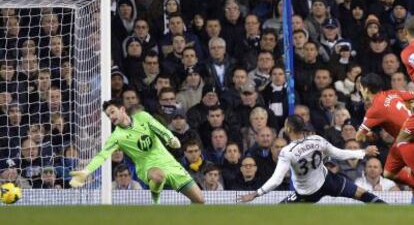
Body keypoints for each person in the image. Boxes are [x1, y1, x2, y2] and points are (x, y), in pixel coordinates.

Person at [69, 98, 204, 204]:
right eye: (108, 115)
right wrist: (86, 171)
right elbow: (102, 155)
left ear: (122, 109)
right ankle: (155, 200)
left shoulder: (142, 117)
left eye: (112, 112)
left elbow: (159, 128)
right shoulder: (117, 136)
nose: (110, 117)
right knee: (158, 176)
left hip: (169, 162)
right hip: (147, 166)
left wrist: (170, 138)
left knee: (199, 201)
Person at [237, 115, 384, 204]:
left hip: (307, 194)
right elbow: (338, 154)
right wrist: (363, 152)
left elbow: (276, 180)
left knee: (280, 213)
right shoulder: (317, 140)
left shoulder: (287, 152)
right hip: (329, 182)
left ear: (288, 129)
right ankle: (389, 211)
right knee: (363, 195)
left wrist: (256, 193)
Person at [356, 73, 414, 188]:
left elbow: (359, 136)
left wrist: (368, 135)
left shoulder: (375, 109)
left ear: (366, 89)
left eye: (361, 87)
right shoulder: (393, 93)